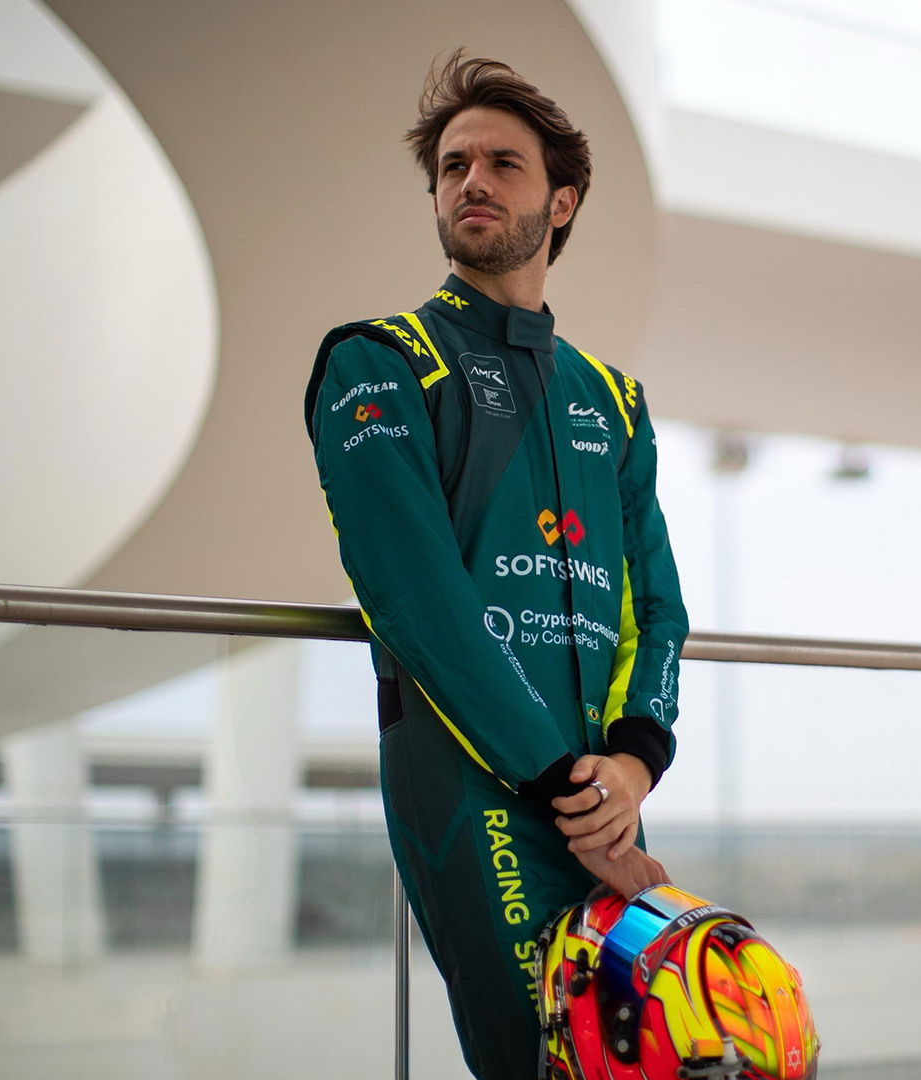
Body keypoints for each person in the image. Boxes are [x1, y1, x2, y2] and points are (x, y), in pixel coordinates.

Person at [302, 52, 687, 1077]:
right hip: (473, 782)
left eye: (502, 164)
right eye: (453, 166)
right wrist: (569, 789)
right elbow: (418, 600)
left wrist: (634, 762)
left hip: (603, 789)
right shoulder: (379, 362)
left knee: (637, 1059)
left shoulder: (615, 400)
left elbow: (657, 607)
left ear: (561, 203)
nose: (471, 180)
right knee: (535, 1060)